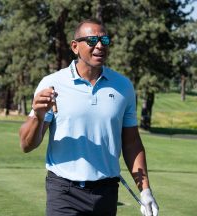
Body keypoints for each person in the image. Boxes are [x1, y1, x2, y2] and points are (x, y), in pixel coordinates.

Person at [19, 19, 159, 216]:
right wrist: (38, 117)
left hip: (107, 193)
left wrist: (145, 191)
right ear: (75, 47)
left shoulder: (123, 86)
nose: (100, 46)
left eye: (105, 40)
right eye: (92, 40)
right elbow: (26, 145)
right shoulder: (52, 84)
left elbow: (132, 144)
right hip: (64, 192)